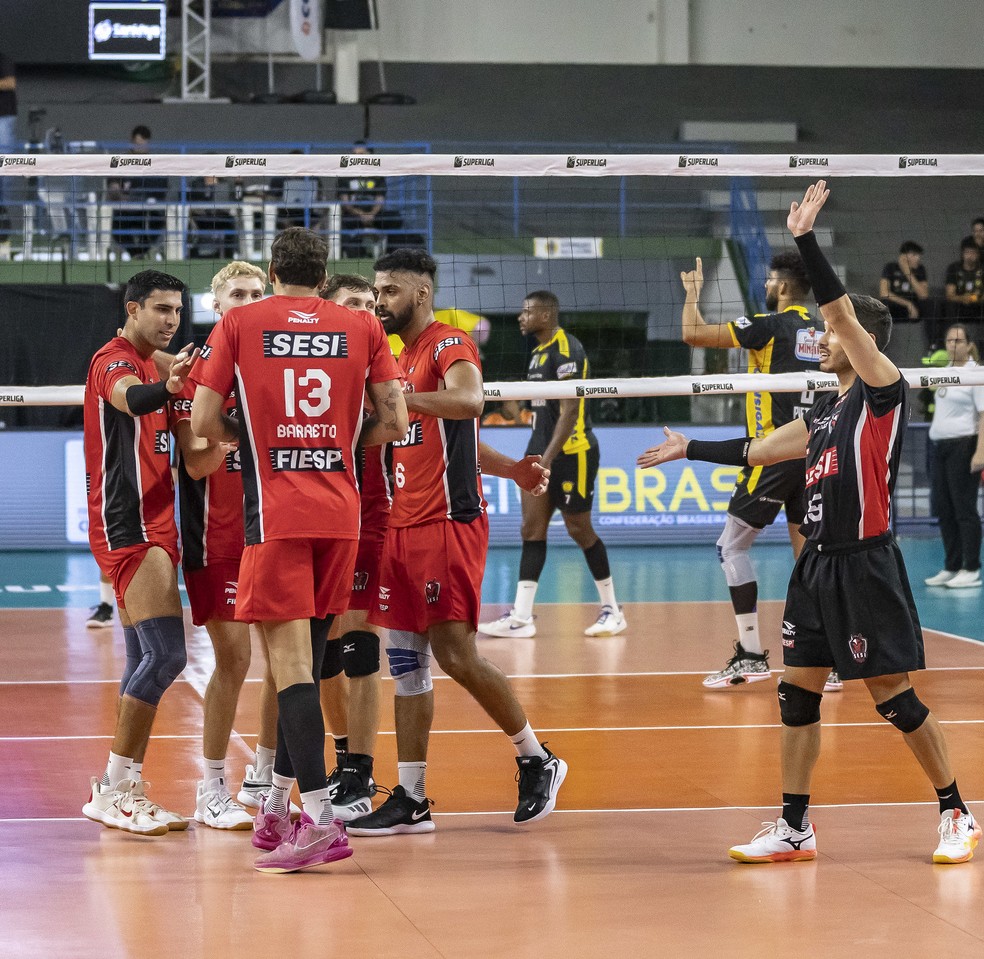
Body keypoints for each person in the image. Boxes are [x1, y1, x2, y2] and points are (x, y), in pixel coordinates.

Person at [639, 180, 982, 865]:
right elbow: (762, 449)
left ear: (858, 340)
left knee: (893, 698)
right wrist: (690, 449)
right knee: (796, 695)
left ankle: (957, 812)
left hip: (866, 562)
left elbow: (842, 316)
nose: (821, 338)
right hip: (816, 565)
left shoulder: (882, 394)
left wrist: (803, 239)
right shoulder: (824, 411)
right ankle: (795, 825)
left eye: (831, 332)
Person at [191, 227, 408, 873]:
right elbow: (394, 421)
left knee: (287, 670)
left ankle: (317, 819)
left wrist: (255, 442)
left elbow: (203, 422)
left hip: (278, 513)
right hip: (340, 511)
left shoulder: (239, 323)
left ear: (270, 268)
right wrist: (337, 440)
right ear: (323, 274)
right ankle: (280, 808)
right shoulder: (361, 326)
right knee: (309, 662)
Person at [347, 249, 566, 837]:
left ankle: (536, 757)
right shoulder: (397, 355)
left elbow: (469, 403)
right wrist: (514, 470)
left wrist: (398, 399)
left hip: (448, 523)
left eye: (389, 291)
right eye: (376, 290)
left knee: (455, 653)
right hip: (401, 525)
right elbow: (452, 441)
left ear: (420, 293)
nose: (379, 301)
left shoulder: (448, 344)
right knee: (405, 666)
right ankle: (411, 798)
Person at [673, 253, 840, 692]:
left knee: (731, 547)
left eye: (769, 279)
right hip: (814, 450)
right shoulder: (824, 332)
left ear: (783, 287)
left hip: (772, 453)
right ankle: (829, 659)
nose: (765, 285)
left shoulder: (769, 325)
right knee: (810, 559)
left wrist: (691, 295)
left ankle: (749, 655)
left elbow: (692, 334)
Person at [81, 270, 197, 836]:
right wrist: (171, 387)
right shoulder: (116, 359)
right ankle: (116, 786)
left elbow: (193, 449)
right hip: (127, 521)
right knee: (167, 656)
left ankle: (117, 789)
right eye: (160, 309)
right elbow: (129, 399)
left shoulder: (164, 365)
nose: (171, 319)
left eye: (177, 309)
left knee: (139, 659)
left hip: (159, 518)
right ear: (132, 309)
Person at [172, 261, 269, 830]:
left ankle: (267, 773)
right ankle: (211, 786)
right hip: (219, 539)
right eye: (239, 293)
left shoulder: (272, 361)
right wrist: (245, 432)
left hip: (273, 531)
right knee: (234, 658)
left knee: (289, 660)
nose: (250, 300)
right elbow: (198, 459)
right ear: (216, 303)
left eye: (258, 293)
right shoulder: (199, 372)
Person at [478, 291, 627, 640]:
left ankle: (612, 611)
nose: (520, 317)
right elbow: (542, 409)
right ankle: (521, 616)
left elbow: (570, 411)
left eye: (527, 311)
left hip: (572, 454)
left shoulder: (566, 349)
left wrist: (545, 461)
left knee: (579, 529)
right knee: (531, 529)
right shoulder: (537, 353)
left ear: (545, 315)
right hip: (539, 449)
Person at [315, 272, 393, 821]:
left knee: (361, 645)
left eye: (371, 304)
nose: (367, 313)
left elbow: (397, 424)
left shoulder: (383, 363)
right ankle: (340, 754)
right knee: (319, 651)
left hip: (371, 517)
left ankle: (359, 770)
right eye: (353, 305)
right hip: (312, 511)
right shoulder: (312, 363)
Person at [923, 323, 984, 590]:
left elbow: (983, 415)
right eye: (949, 341)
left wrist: (980, 452)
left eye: (958, 341)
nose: (953, 345)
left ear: (969, 345)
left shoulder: (976, 374)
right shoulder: (944, 373)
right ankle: (952, 566)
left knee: (964, 509)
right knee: (943, 508)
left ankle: (971, 568)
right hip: (940, 448)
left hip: (964, 446)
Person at [106, 125, 168, 259]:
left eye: (143, 143)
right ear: (132, 141)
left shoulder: (155, 164)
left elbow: (162, 189)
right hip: (125, 210)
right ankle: (135, 253)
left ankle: (142, 251)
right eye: (137, 143)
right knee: (117, 226)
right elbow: (113, 186)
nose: (140, 147)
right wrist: (117, 192)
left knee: (157, 222)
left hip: (148, 211)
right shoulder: (121, 161)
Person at [879, 240, 930, 368]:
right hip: (894, 314)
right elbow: (884, 293)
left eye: (919, 255)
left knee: (929, 305)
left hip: (914, 317)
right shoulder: (890, 267)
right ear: (904, 256)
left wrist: (908, 272)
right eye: (914, 255)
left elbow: (923, 294)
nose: (918, 259)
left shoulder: (920, 270)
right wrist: (908, 304)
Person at [337, 141, 388, 258]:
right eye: (354, 155)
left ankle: (390, 257)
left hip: (375, 216)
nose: (357, 159)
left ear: (369, 156)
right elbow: (345, 203)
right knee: (341, 226)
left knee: (396, 221)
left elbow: (380, 198)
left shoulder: (378, 175)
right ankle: (354, 255)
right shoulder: (345, 176)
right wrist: (362, 215)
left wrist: (371, 214)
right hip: (352, 216)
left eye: (361, 155)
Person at [944, 238, 984, 348]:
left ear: (978, 254)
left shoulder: (982, 269)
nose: (970, 256)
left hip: (979, 307)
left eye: (973, 252)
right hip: (960, 308)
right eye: (967, 252)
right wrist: (963, 298)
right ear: (962, 253)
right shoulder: (954, 268)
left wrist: (976, 298)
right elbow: (950, 294)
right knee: (948, 305)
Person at [0, 51, 16, 259]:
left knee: (4, 176)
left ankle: (4, 236)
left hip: (3, 119)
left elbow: (10, 83)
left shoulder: (2, 59)